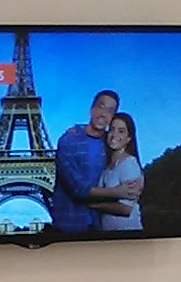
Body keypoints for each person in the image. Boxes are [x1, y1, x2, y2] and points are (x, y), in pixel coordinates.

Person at [48, 89, 119, 233]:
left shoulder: (111, 144)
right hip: (69, 225)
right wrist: (119, 192)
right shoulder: (69, 140)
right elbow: (78, 188)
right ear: (91, 109)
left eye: (110, 111)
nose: (103, 114)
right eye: (101, 107)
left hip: (100, 225)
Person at [90, 111, 145, 231]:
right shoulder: (107, 166)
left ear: (128, 138)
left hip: (128, 233)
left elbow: (126, 209)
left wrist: (95, 206)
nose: (114, 134)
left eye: (121, 131)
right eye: (111, 129)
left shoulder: (129, 163)